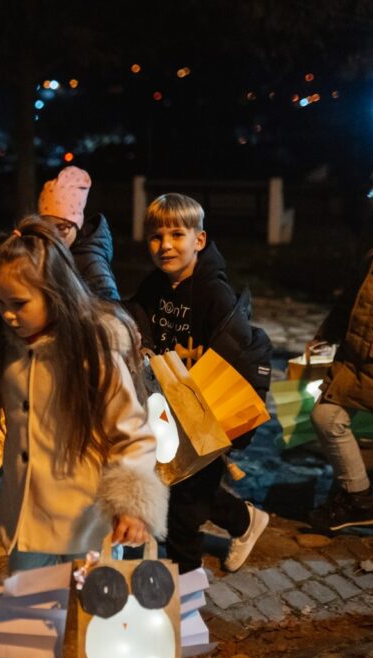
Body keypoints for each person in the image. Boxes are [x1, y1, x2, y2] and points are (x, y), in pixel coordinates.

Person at [0, 215, 166, 658]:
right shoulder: (5, 348)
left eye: (19, 302)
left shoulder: (92, 354)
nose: (7, 313)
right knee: (30, 625)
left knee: (91, 623)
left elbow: (131, 433)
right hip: (26, 517)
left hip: (85, 519)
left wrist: (132, 504)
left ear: (55, 292)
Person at [126, 193, 270, 574]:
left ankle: (182, 587)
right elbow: (141, 322)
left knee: (184, 510)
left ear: (199, 240)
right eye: (156, 237)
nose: (166, 245)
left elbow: (234, 354)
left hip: (206, 413)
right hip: (168, 409)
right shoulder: (153, 286)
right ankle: (244, 519)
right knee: (180, 484)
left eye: (177, 234)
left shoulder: (213, 294)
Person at [307, 247, 373, 530]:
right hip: (356, 361)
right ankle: (358, 498)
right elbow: (352, 300)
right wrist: (327, 334)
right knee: (326, 416)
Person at [37, 165, 120, 301]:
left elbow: (112, 311)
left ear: (77, 224)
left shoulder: (91, 263)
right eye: (47, 228)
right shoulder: (57, 251)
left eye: (62, 227)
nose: (53, 237)